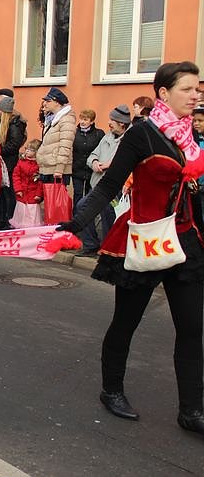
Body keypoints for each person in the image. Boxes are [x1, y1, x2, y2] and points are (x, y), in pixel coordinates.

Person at [57, 61, 204, 435]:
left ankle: (192, 410)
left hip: (185, 239)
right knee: (127, 321)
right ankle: (112, 390)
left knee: (192, 328)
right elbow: (108, 186)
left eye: (197, 88)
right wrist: (76, 224)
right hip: (145, 239)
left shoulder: (191, 135)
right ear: (164, 94)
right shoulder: (142, 135)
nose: (196, 94)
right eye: (187, 89)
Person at [74, 105, 132, 256]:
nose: (109, 122)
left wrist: (110, 165)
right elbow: (92, 155)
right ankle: (90, 245)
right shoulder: (107, 137)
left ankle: (108, 247)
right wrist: (94, 163)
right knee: (82, 206)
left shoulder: (130, 139)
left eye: (113, 120)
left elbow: (130, 161)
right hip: (98, 184)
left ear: (122, 124)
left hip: (116, 186)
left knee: (109, 213)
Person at [0, 95, 27, 229]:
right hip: (3, 161)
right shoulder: (3, 122)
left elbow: (14, 144)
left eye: (0, 110)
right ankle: (1, 220)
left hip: (9, 162)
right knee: (1, 192)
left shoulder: (15, 124)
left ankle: (9, 220)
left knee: (9, 193)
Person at [37, 87, 76, 185]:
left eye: (48, 101)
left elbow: (65, 146)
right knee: (49, 199)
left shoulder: (66, 119)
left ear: (57, 102)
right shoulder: (51, 119)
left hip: (57, 170)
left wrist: (59, 169)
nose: (45, 104)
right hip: (48, 168)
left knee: (56, 199)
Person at [71, 109, 105, 212]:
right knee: (78, 194)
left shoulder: (99, 134)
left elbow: (102, 150)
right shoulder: (74, 133)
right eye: (81, 119)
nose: (82, 122)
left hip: (92, 170)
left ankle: (87, 216)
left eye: (85, 119)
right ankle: (76, 217)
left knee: (89, 194)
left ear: (92, 121)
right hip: (77, 169)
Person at [10, 139, 44, 228]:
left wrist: (39, 194)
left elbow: (41, 181)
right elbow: (16, 176)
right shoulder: (21, 162)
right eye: (27, 149)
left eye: (31, 150)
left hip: (33, 195)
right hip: (22, 193)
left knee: (32, 215)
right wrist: (18, 189)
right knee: (21, 214)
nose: (28, 151)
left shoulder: (39, 165)